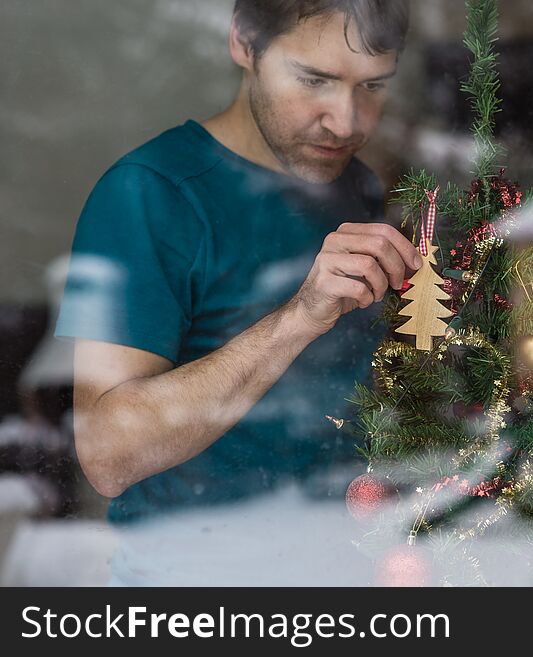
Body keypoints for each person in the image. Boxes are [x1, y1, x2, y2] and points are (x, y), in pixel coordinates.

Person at [54, 0, 416, 583]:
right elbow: (107, 455)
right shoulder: (149, 194)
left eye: (373, 85)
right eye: (314, 80)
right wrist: (299, 316)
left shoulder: (359, 187)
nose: (347, 121)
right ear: (244, 43)